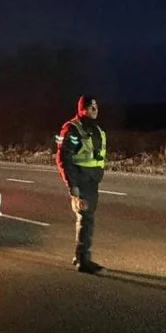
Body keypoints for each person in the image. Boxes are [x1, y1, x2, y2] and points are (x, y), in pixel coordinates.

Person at [56, 95, 106, 274]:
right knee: (85, 219)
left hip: (92, 181)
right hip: (81, 181)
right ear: (81, 109)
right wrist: (73, 187)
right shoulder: (72, 129)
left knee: (88, 219)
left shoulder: (96, 128)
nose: (95, 109)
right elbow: (64, 159)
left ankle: (79, 256)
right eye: (90, 107)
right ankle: (83, 261)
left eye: (96, 106)